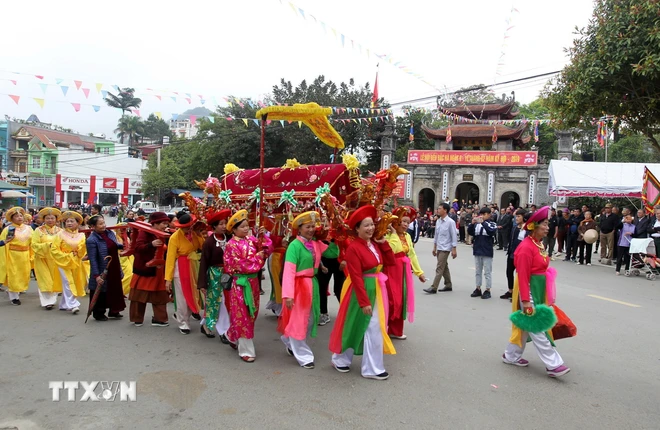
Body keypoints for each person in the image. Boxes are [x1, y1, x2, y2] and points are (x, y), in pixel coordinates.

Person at [329, 205, 396, 380]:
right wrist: (364, 301)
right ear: (357, 229)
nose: (371, 228)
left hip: (377, 290)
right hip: (362, 291)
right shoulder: (353, 249)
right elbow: (356, 277)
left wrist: (384, 244)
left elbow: (389, 263)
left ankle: (350, 362)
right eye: (366, 225)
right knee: (358, 325)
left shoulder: (374, 244)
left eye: (372, 224)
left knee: (370, 327)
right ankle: (355, 363)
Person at [502, 206, 571, 378]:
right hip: (528, 289)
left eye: (548, 224)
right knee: (537, 325)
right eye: (545, 224)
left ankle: (511, 355)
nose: (548, 227)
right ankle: (554, 364)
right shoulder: (526, 248)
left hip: (538, 289)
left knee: (525, 325)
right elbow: (523, 276)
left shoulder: (538, 244)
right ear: (534, 226)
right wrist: (525, 300)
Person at [279, 211, 327, 369]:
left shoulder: (315, 244)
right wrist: (288, 295)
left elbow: (333, 250)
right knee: (300, 320)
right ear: (299, 229)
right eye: (308, 227)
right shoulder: (294, 246)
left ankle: (289, 341)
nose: (311, 229)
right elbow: (288, 272)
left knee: (311, 318)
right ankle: (304, 355)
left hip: (312, 285)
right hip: (298, 287)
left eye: (313, 226)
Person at [223, 210, 273, 362]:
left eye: (247, 226)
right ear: (234, 229)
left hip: (253, 284)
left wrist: (263, 237)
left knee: (251, 314)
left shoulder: (252, 240)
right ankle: (246, 350)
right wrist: (258, 258)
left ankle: (232, 335)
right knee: (242, 315)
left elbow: (266, 249)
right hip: (240, 283)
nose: (246, 229)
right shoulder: (231, 245)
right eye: (242, 227)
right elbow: (240, 265)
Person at [384, 206, 426, 339]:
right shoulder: (388, 235)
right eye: (403, 221)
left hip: (403, 272)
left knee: (401, 300)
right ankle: (384, 327)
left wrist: (419, 272)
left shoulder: (407, 236)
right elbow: (393, 250)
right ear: (396, 222)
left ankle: (395, 330)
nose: (406, 225)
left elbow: (412, 255)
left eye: (408, 222)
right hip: (390, 269)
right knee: (391, 299)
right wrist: (394, 235)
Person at [129, 212, 171, 328]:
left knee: (160, 295)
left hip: (158, 269)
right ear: (155, 223)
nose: (165, 225)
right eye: (163, 223)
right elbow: (137, 248)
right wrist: (151, 244)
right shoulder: (144, 232)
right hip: (145, 268)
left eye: (166, 223)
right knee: (139, 296)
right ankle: (137, 319)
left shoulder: (164, 233)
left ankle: (160, 319)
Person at [164, 213, 205, 334]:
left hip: (194, 266)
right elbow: (170, 259)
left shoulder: (194, 234)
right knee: (182, 297)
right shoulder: (174, 238)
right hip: (180, 266)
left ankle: (186, 315)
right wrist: (168, 278)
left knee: (193, 294)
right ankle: (183, 322)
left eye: (190, 226)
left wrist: (199, 235)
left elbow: (202, 246)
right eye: (186, 227)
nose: (188, 229)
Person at [197, 209, 232, 338]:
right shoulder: (209, 242)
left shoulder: (229, 238)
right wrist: (202, 283)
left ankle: (206, 324)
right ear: (214, 226)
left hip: (228, 274)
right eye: (221, 224)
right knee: (217, 301)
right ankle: (223, 330)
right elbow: (204, 263)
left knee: (225, 301)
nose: (224, 226)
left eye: (225, 223)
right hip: (214, 274)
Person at [86, 215, 125, 321]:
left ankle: (114, 310)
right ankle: (99, 313)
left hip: (114, 265)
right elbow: (93, 259)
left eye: (104, 223)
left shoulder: (110, 233)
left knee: (115, 288)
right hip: (102, 267)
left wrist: (122, 246)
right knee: (101, 290)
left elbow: (114, 245)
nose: (104, 225)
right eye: (100, 224)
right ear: (93, 226)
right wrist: (97, 275)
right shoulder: (91, 240)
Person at [51, 211, 87, 314]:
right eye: (67, 221)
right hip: (63, 261)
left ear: (77, 223)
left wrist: (80, 251)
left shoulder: (81, 235)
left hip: (75, 261)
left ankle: (63, 304)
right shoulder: (60, 234)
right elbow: (54, 249)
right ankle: (73, 304)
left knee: (74, 281)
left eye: (72, 221)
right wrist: (65, 256)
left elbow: (82, 250)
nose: (69, 223)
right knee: (68, 281)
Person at [0, 207, 34, 305]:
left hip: (25, 255)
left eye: (20, 216)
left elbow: (33, 242)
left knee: (24, 274)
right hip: (13, 255)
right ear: (12, 218)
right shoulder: (8, 229)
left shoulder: (29, 228)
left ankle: (17, 290)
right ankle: (14, 297)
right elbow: (3, 244)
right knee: (13, 275)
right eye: (16, 216)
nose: (19, 218)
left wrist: (33, 254)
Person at [31, 208, 63, 310]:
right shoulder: (38, 230)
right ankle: (46, 302)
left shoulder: (60, 231)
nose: (50, 220)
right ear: (44, 219)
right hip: (42, 258)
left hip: (55, 259)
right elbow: (34, 245)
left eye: (52, 218)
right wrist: (47, 245)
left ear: (56, 219)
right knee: (44, 279)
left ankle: (52, 300)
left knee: (54, 279)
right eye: (48, 218)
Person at [424, 203, 457, 294]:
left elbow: (453, 235)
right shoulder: (438, 221)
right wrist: (434, 247)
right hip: (439, 246)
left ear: (445, 210)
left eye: (439, 208)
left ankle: (434, 287)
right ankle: (448, 284)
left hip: (446, 248)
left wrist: (454, 248)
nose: (437, 210)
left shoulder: (450, 222)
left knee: (439, 267)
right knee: (444, 266)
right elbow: (436, 235)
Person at [468, 207, 497, 299]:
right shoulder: (477, 224)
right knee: (478, 271)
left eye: (484, 214)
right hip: (477, 249)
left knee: (487, 271)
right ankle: (478, 288)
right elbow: (471, 232)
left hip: (487, 250)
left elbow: (491, 231)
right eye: (481, 214)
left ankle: (488, 289)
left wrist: (483, 223)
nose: (482, 216)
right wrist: (472, 224)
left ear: (489, 215)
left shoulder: (492, 224)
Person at [315, 236, 345, 324]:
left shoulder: (339, 230)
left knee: (339, 289)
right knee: (322, 287)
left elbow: (348, 245)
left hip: (338, 261)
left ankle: (346, 312)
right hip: (324, 261)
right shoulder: (320, 231)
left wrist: (345, 260)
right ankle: (324, 313)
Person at [502, 209, 527, 300]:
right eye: (516, 216)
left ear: (524, 217)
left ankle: (518, 294)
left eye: (519, 216)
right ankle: (510, 291)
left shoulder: (527, 230)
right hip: (512, 253)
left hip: (521, 256)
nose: (516, 218)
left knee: (520, 275)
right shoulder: (515, 227)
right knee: (509, 272)